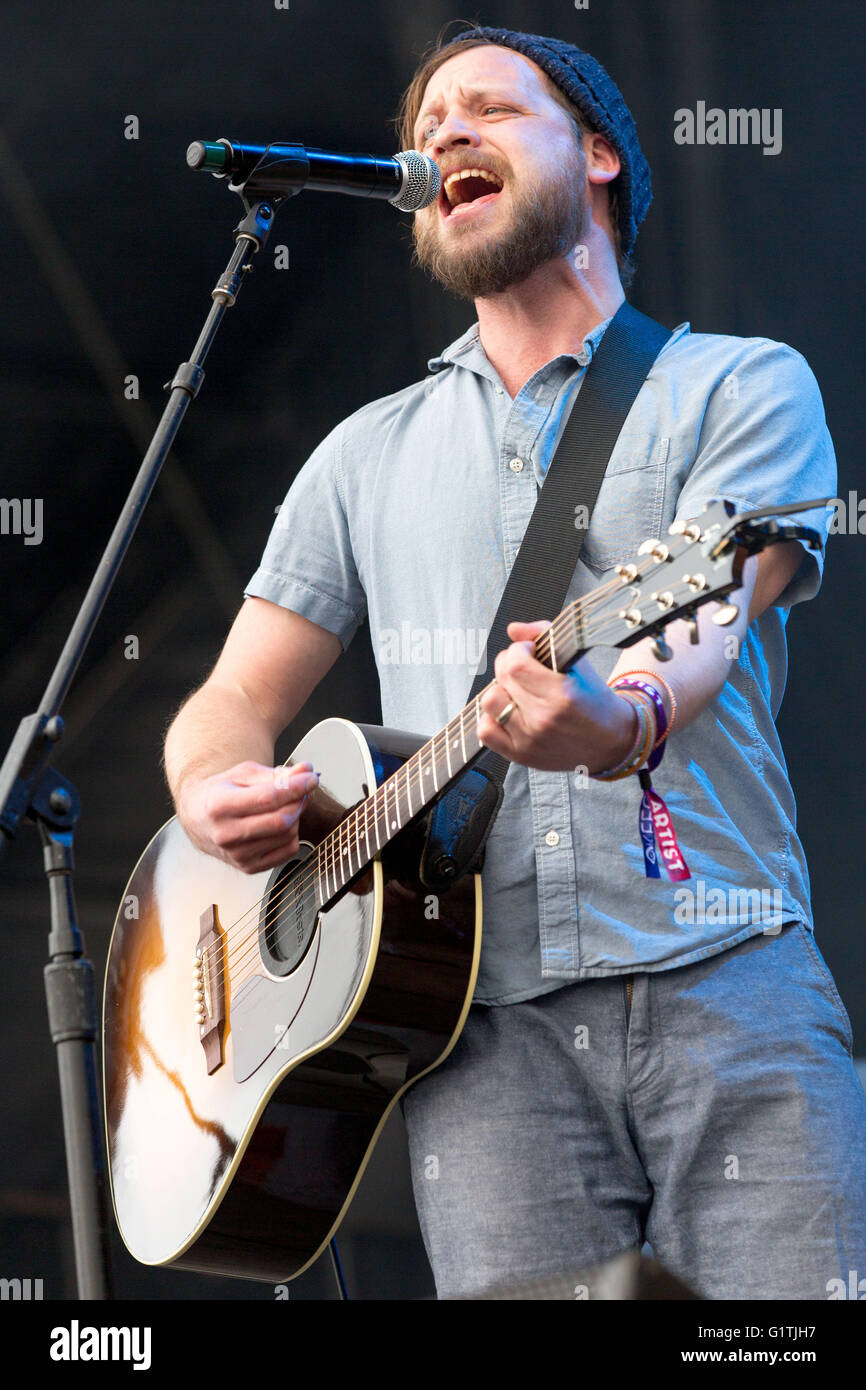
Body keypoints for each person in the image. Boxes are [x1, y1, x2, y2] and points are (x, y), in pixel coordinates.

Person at [163, 25, 866, 1299]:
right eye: (425, 127)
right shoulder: (360, 454)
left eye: (488, 109)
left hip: (725, 978)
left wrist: (622, 716)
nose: (441, 137)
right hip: (471, 1032)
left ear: (596, 153)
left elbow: (712, 608)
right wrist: (208, 784)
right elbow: (227, 700)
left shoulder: (737, 384)